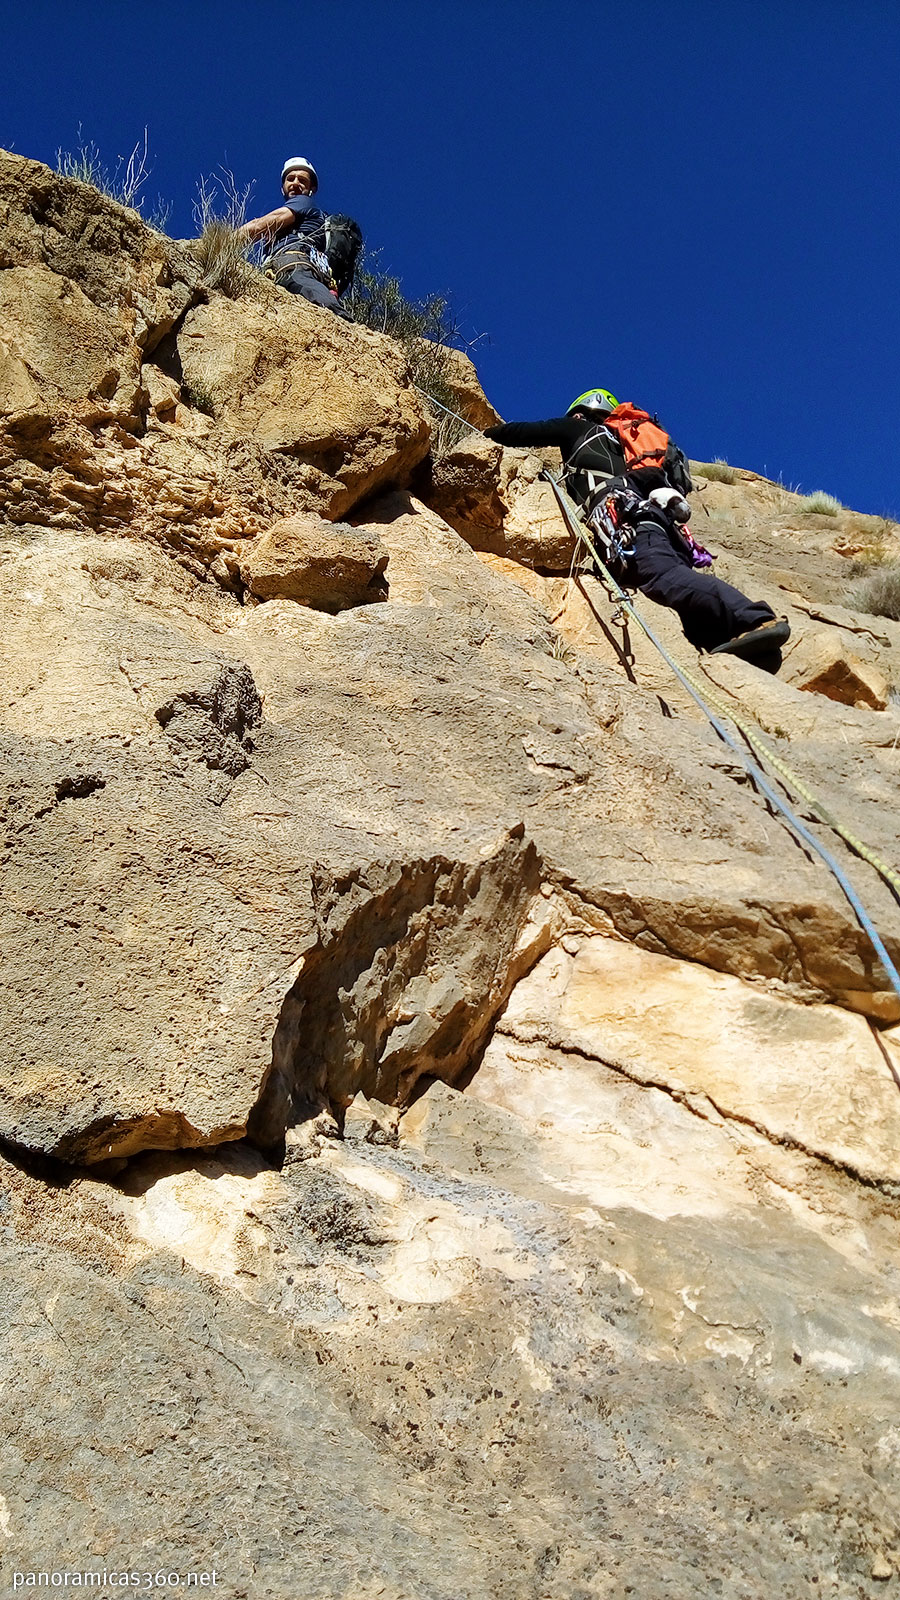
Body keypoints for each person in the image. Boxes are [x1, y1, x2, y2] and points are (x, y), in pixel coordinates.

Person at [485, 388, 790, 658]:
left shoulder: (578, 429)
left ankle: (755, 618)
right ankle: (735, 642)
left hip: (628, 520)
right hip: (660, 522)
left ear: (581, 413)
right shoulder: (626, 444)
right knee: (671, 579)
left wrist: (486, 434)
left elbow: (524, 432)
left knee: (662, 576)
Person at [238, 157, 351, 319]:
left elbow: (260, 226)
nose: (295, 183)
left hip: (294, 265)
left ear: (312, 188)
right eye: (290, 179)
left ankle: (344, 324)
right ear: (282, 188)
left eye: (302, 180)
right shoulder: (314, 214)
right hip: (306, 269)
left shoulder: (303, 203)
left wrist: (221, 241)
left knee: (323, 305)